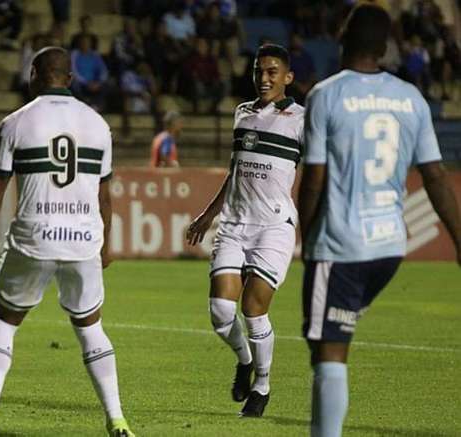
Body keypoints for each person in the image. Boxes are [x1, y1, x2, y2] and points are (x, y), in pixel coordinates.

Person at [0, 46, 134, 437]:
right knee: (90, 328)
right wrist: (107, 245)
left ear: (34, 75)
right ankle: (116, 419)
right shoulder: (98, 125)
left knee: (4, 322)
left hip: (34, 237)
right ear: (71, 78)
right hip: (83, 238)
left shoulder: (15, 123)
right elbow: (104, 195)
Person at [298, 5, 461, 437]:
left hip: (340, 244)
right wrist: (460, 240)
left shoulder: (326, 95)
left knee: (328, 352)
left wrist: (306, 236)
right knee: (334, 335)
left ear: (341, 38)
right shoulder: (411, 98)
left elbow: (313, 179)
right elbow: (436, 177)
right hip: (389, 248)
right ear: (386, 47)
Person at [186, 43, 303, 418]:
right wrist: (208, 214)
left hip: (274, 226)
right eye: (258, 71)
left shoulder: (302, 120)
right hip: (235, 223)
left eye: (272, 72)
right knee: (221, 311)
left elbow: (319, 170)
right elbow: (235, 172)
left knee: (253, 309)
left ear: (288, 77)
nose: (264, 78)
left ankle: (262, 385)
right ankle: (244, 359)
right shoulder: (242, 113)